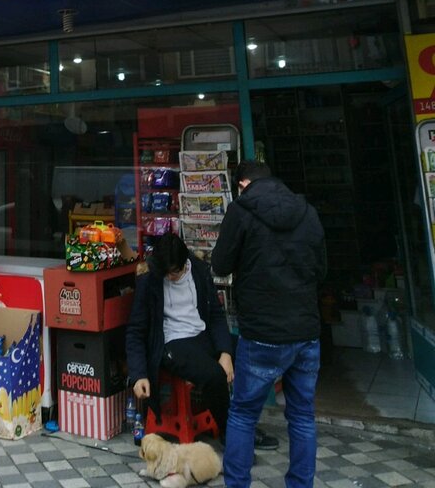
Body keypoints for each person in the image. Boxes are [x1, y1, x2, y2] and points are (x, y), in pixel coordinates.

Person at [211, 160, 326, 488]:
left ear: (242, 184)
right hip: (305, 330)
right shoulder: (307, 212)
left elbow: (220, 264)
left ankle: (237, 484)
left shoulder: (240, 211)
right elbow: (322, 270)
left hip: (262, 332)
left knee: (243, 413)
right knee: (302, 416)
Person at [125, 232, 278, 451]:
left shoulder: (198, 269)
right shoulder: (150, 279)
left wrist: (225, 352)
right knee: (214, 375)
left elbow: (215, 314)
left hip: (201, 334)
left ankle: (244, 422)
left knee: (251, 352)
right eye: (165, 273)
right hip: (171, 343)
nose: (170, 277)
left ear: (184, 263)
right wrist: (139, 374)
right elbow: (135, 331)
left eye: (174, 273)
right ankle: (231, 433)